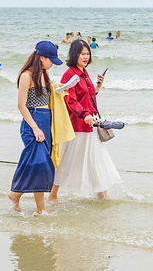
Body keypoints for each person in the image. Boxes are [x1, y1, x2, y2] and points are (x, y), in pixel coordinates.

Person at [48, 40, 119, 202]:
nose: (85, 57)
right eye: (82, 54)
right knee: (69, 159)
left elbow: (87, 97)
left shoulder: (84, 73)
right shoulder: (69, 74)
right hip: (78, 125)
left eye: (87, 54)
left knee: (94, 159)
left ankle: (102, 195)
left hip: (89, 124)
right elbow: (70, 100)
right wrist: (85, 114)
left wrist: (98, 87)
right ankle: (53, 195)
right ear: (75, 55)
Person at [8, 41, 62, 216]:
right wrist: (35, 128)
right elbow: (21, 106)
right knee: (40, 164)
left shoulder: (45, 75)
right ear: (41, 57)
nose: (52, 63)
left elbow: (48, 101)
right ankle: (41, 209)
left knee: (39, 163)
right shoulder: (27, 75)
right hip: (33, 121)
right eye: (50, 60)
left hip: (46, 120)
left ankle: (15, 194)